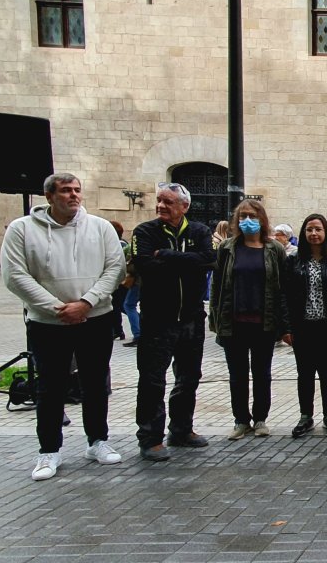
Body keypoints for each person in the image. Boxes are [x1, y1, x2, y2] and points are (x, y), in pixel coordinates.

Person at [2, 173, 126, 481]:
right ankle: (49, 450)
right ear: (49, 196)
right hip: (48, 323)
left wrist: (86, 303)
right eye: (65, 191)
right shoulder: (21, 230)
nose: (73, 195)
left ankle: (97, 441)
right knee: (50, 387)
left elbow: (115, 268)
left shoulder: (99, 228)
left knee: (95, 383)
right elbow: (16, 275)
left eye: (77, 190)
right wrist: (57, 308)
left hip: (94, 319)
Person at [131, 182, 215, 461]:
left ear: (184, 207)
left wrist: (166, 255)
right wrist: (186, 262)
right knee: (153, 379)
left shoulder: (200, 232)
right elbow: (145, 265)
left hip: (191, 317)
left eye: (168, 202)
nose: (161, 206)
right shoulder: (145, 232)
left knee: (189, 377)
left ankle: (181, 429)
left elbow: (208, 262)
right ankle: (150, 437)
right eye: (159, 201)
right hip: (158, 319)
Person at [210, 199, 290, 439]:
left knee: (262, 373)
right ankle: (241, 420)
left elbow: (282, 288)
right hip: (233, 322)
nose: (247, 221)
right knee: (237, 374)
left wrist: (283, 324)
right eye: (243, 216)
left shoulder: (274, 249)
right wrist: (215, 320)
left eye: (252, 216)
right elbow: (217, 286)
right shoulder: (227, 248)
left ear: (262, 220)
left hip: (263, 322)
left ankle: (260, 419)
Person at [284, 213, 327, 437]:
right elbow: (284, 295)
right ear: (303, 233)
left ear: (326, 233)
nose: (314, 234)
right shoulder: (292, 261)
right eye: (309, 230)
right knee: (304, 373)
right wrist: (286, 328)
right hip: (302, 327)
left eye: (318, 229)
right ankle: (306, 416)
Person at [110, 220, 129, 341]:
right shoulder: (123, 243)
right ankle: (118, 330)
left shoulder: (120, 244)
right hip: (119, 281)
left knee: (120, 306)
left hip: (121, 281)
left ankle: (118, 331)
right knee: (121, 306)